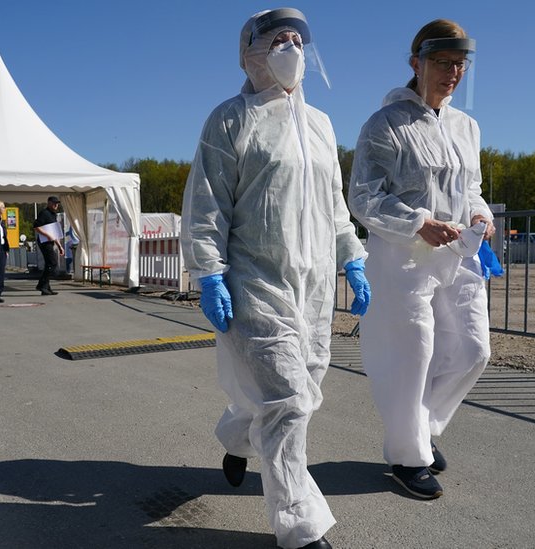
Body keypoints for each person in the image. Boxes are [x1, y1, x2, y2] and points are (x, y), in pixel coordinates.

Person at [180, 9, 369, 549]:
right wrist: (209, 273)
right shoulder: (231, 118)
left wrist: (351, 258)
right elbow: (206, 205)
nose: (291, 48)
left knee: (304, 385)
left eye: (298, 40)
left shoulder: (321, 124)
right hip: (254, 278)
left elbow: (333, 203)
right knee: (288, 399)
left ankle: (237, 433)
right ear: (249, 55)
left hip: (312, 288)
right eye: (277, 39)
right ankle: (300, 526)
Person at [348, 19, 493, 501]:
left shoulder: (466, 126)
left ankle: (422, 429)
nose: (452, 73)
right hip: (402, 255)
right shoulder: (385, 124)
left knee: (474, 349)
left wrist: (480, 213)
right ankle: (409, 456)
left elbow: (469, 187)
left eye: (459, 65)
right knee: (411, 356)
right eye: (441, 63)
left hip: (457, 252)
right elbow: (364, 197)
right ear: (416, 64)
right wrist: (417, 223)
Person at [34, 196, 64, 295]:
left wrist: (59, 246)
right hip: (44, 242)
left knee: (48, 264)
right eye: (54, 203)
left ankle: (45, 287)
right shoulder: (44, 213)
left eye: (57, 203)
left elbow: (54, 231)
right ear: (49, 203)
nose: (56, 205)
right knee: (53, 263)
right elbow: (36, 227)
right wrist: (47, 235)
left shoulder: (53, 215)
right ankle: (42, 285)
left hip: (50, 242)